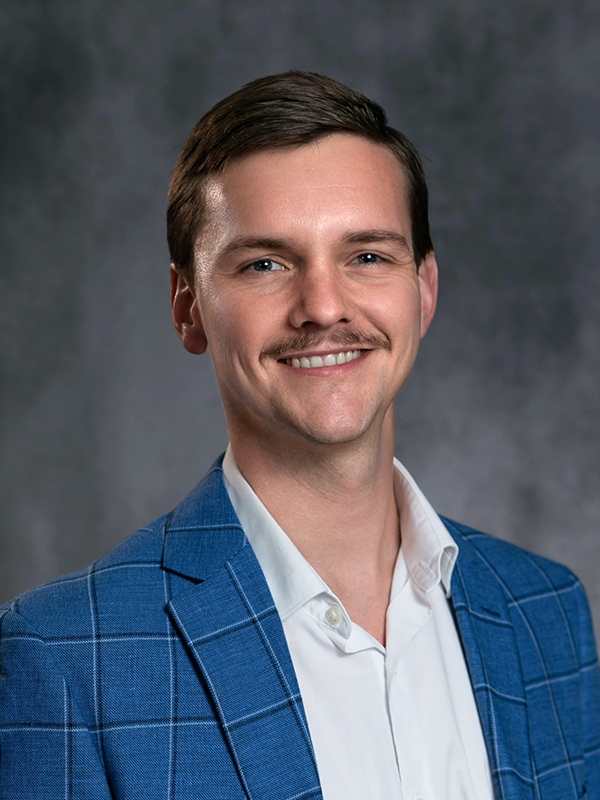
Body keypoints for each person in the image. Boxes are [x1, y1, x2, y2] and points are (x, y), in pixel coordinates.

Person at [1, 71, 598, 800]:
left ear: (424, 289)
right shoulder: (64, 661)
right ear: (187, 307)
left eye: (367, 256)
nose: (323, 306)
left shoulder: (547, 614)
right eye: (266, 264)